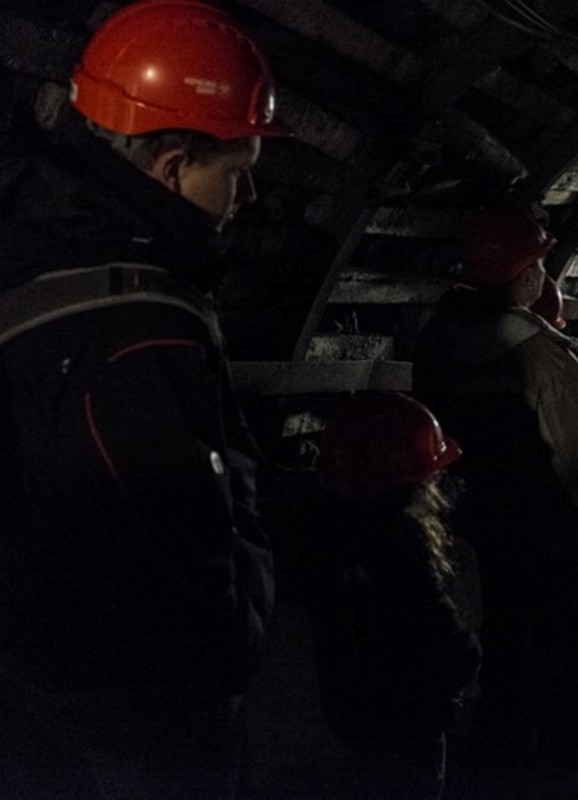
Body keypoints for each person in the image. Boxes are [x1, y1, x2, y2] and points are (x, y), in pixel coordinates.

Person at [0, 2, 282, 796]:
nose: (250, 194)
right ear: (172, 165)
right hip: (136, 716)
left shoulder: (40, 252)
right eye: (236, 168)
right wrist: (239, 644)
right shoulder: (136, 325)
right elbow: (176, 541)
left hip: (46, 680)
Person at [412, 205, 578, 798]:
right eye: (538, 262)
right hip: (552, 526)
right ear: (524, 272)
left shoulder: (436, 338)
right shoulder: (537, 348)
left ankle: (504, 756)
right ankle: (563, 761)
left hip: (479, 519)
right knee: (561, 647)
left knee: (505, 641)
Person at [311, 392, 481, 800]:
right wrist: (467, 658)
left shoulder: (330, 533)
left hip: (354, 715)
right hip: (413, 716)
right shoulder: (401, 538)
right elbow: (437, 627)